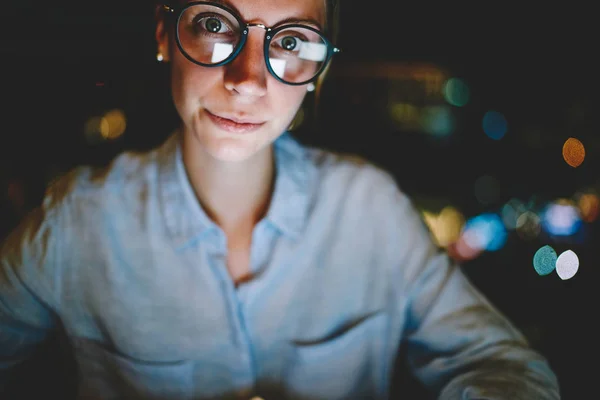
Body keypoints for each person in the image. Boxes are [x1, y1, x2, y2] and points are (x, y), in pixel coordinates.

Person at [0, 0, 561, 399]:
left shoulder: (368, 210)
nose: (247, 79)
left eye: (290, 41)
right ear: (164, 34)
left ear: (319, 69)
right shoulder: (77, 224)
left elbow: (501, 365)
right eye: (216, 24)